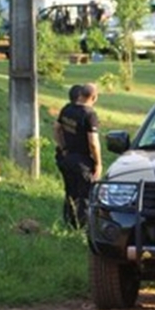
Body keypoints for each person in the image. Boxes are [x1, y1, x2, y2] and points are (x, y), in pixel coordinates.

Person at [54, 83, 102, 229]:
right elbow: (93, 143)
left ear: (80, 94)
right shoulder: (90, 115)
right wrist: (98, 164)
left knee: (70, 192)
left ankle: (69, 223)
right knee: (85, 197)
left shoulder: (67, 109)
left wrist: (64, 148)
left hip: (67, 158)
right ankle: (82, 228)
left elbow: (56, 128)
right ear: (94, 97)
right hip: (83, 162)